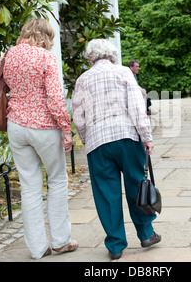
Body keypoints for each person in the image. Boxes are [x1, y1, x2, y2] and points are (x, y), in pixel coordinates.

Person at [0, 18, 78, 260]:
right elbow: (55, 98)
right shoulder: (46, 57)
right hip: (44, 126)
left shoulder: (9, 55)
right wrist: (66, 129)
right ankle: (61, 241)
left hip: (16, 126)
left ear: (25, 32)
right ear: (46, 36)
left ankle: (38, 248)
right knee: (57, 180)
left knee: (29, 187)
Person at [72, 39, 161, 260]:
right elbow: (137, 107)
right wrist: (146, 136)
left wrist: (87, 140)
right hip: (127, 138)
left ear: (91, 57)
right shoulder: (123, 73)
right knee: (136, 185)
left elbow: (79, 118)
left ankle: (115, 245)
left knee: (106, 193)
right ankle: (146, 233)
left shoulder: (82, 80)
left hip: (97, 143)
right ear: (112, 55)